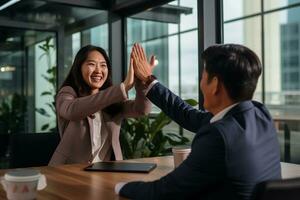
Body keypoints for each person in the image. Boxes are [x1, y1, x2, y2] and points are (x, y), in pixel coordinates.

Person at [115, 43, 281, 200]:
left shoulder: (218, 136)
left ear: (215, 84)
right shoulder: (260, 115)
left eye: (203, 76)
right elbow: (188, 115)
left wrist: (118, 186)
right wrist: (150, 81)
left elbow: (164, 192)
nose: (200, 83)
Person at [49, 45, 152, 165]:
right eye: (92, 64)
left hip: (107, 172)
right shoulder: (68, 92)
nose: (98, 70)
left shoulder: (113, 99)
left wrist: (142, 81)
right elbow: (72, 111)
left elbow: (142, 110)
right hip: (69, 172)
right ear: (79, 68)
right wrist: (124, 87)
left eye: (103, 65)